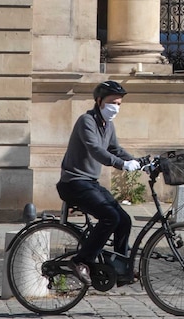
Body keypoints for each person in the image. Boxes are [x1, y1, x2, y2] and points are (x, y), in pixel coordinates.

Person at [56, 80, 141, 287]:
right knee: (109, 217)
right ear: (99, 101)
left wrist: (138, 161)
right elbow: (96, 150)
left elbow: (114, 149)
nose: (116, 108)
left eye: (119, 104)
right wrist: (122, 164)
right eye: (113, 103)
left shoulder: (108, 125)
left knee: (124, 220)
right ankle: (80, 261)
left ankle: (120, 267)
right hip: (74, 183)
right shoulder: (87, 121)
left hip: (90, 183)